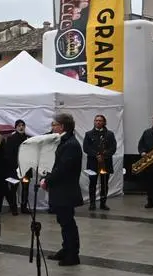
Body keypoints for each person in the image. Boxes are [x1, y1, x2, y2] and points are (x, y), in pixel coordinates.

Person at [43, 113, 84, 266]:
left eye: (54, 125)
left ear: (62, 126)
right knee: (63, 221)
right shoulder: (63, 141)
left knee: (68, 223)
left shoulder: (71, 144)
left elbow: (63, 168)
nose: (52, 128)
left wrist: (47, 180)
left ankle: (73, 254)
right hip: (60, 189)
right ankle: (66, 249)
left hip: (65, 189)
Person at [82, 114, 116, 211]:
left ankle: (103, 203)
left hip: (106, 163)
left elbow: (113, 148)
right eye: (96, 120)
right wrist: (96, 155)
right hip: (93, 163)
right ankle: (92, 203)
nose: (98, 122)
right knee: (92, 183)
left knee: (104, 184)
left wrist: (104, 156)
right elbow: (86, 148)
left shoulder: (110, 134)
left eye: (100, 120)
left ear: (104, 122)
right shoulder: (88, 134)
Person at [2, 119, 31, 215]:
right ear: (15, 127)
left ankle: (24, 207)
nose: (21, 127)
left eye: (23, 125)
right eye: (19, 125)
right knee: (13, 189)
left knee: (25, 188)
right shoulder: (11, 139)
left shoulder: (29, 139)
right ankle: (13, 207)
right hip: (14, 170)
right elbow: (8, 155)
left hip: (26, 170)